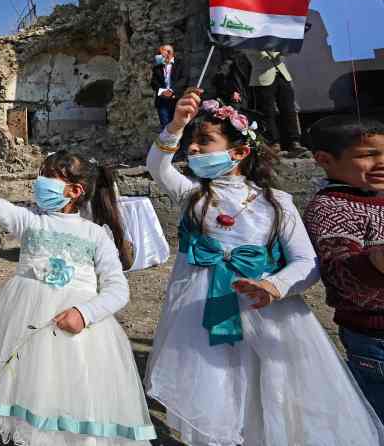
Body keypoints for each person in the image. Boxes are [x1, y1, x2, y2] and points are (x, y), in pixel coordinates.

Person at [145, 92, 384, 444]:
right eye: (190, 143)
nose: (192, 149)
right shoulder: (193, 196)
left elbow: (306, 262)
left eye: (204, 141)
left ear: (239, 153)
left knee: (272, 391)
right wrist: (175, 127)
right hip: (202, 313)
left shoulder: (277, 203)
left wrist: (274, 285)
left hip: (268, 313)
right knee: (215, 387)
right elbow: (158, 166)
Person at [0, 133, 154, 445]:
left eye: (49, 178)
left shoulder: (96, 235)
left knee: (73, 403)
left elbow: (117, 290)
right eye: (41, 176)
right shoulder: (30, 221)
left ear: (76, 190)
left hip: (78, 335)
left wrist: (84, 314)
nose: (40, 183)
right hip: (26, 323)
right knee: (32, 397)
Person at [303, 115, 384, 421]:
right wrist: (375, 259)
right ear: (324, 159)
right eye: (367, 155)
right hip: (374, 339)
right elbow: (343, 275)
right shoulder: (331, 208)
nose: (382, 162)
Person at [245, 50, 307, 157]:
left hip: (283, 76)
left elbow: (286, 53)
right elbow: (257, 55)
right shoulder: (251, 39)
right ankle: (274, 143)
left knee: (289, 109)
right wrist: (271, 48)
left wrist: (281, 49)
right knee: (268, 112)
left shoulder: (273, 39)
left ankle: (295, 142)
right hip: (263, 78)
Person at [150, 44, 188, 128]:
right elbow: (154, 83)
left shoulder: (180, 64)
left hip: (177, 100)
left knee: (178, 127)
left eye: (168, 51)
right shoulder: (157, 67)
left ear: (172, 53)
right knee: (166, 127)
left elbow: (184, 80)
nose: (164, 54)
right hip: (162, 101)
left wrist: (172, 90)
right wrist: (163, 91)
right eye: (162, 52)